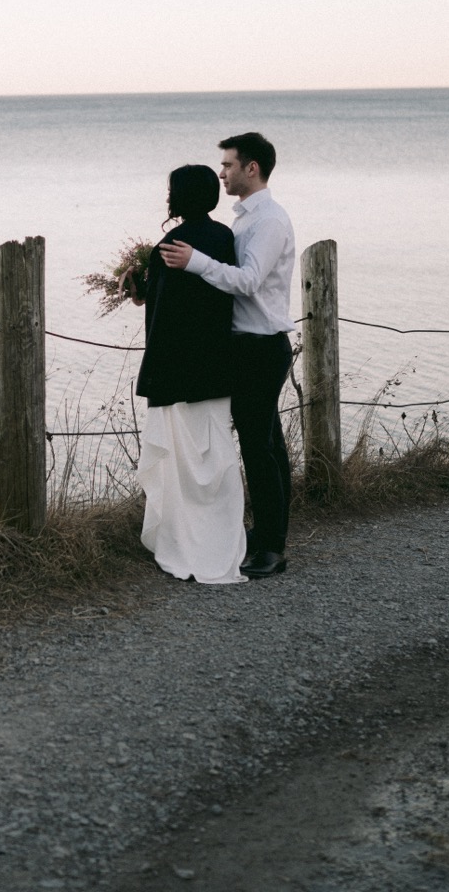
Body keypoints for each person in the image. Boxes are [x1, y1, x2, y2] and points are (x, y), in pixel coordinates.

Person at [158, 132, 297, 579]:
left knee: (260, 448)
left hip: (261, 346)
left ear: (251, 168)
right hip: (247, 345)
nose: (222, 174)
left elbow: (249, 280)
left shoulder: (269, 221)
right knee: (267, 444)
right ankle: (268, 533)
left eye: (229, 165)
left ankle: (272, 548)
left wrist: (194, 260)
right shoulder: (244, 221)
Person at [132, 164, 246, 584]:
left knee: (181, 468)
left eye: (170, 190)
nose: (167, 197)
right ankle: (224, 543)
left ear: (180, 196)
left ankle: (186, 545)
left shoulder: (171, 246)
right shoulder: (223, 238)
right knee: (217, 459)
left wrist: (142, 289)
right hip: (217, 366)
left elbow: (166, 318)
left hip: (177, 373)